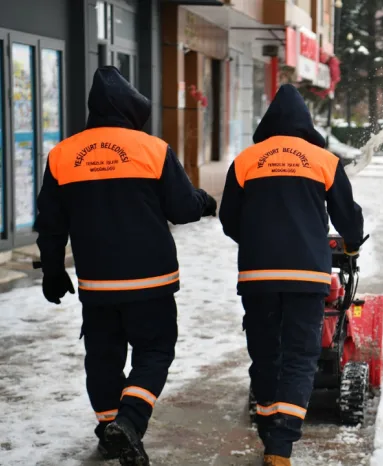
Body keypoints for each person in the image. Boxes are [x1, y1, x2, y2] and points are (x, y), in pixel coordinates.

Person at [34, 66, 217, 465]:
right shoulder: (152, 149)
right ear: (132, 109)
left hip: (98, 285)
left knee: (103, 357)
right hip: (151, 281)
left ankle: (108, 431)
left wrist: (52, 269)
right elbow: (184, 209)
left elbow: (50, 222)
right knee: (154, 351)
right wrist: (205, 201)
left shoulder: (63, 155)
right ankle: (130, 422)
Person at [219, 84, 364, 466]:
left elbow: (228, 219)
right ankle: (280, 446)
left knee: (265, 354)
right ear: (307, 124)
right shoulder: (323, 160)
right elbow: (348, 216)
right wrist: (349, 246)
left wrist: (254, 241)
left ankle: (270, 433)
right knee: (300, 356)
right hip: (307, 277)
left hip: (258, 276)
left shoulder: (246, 160)